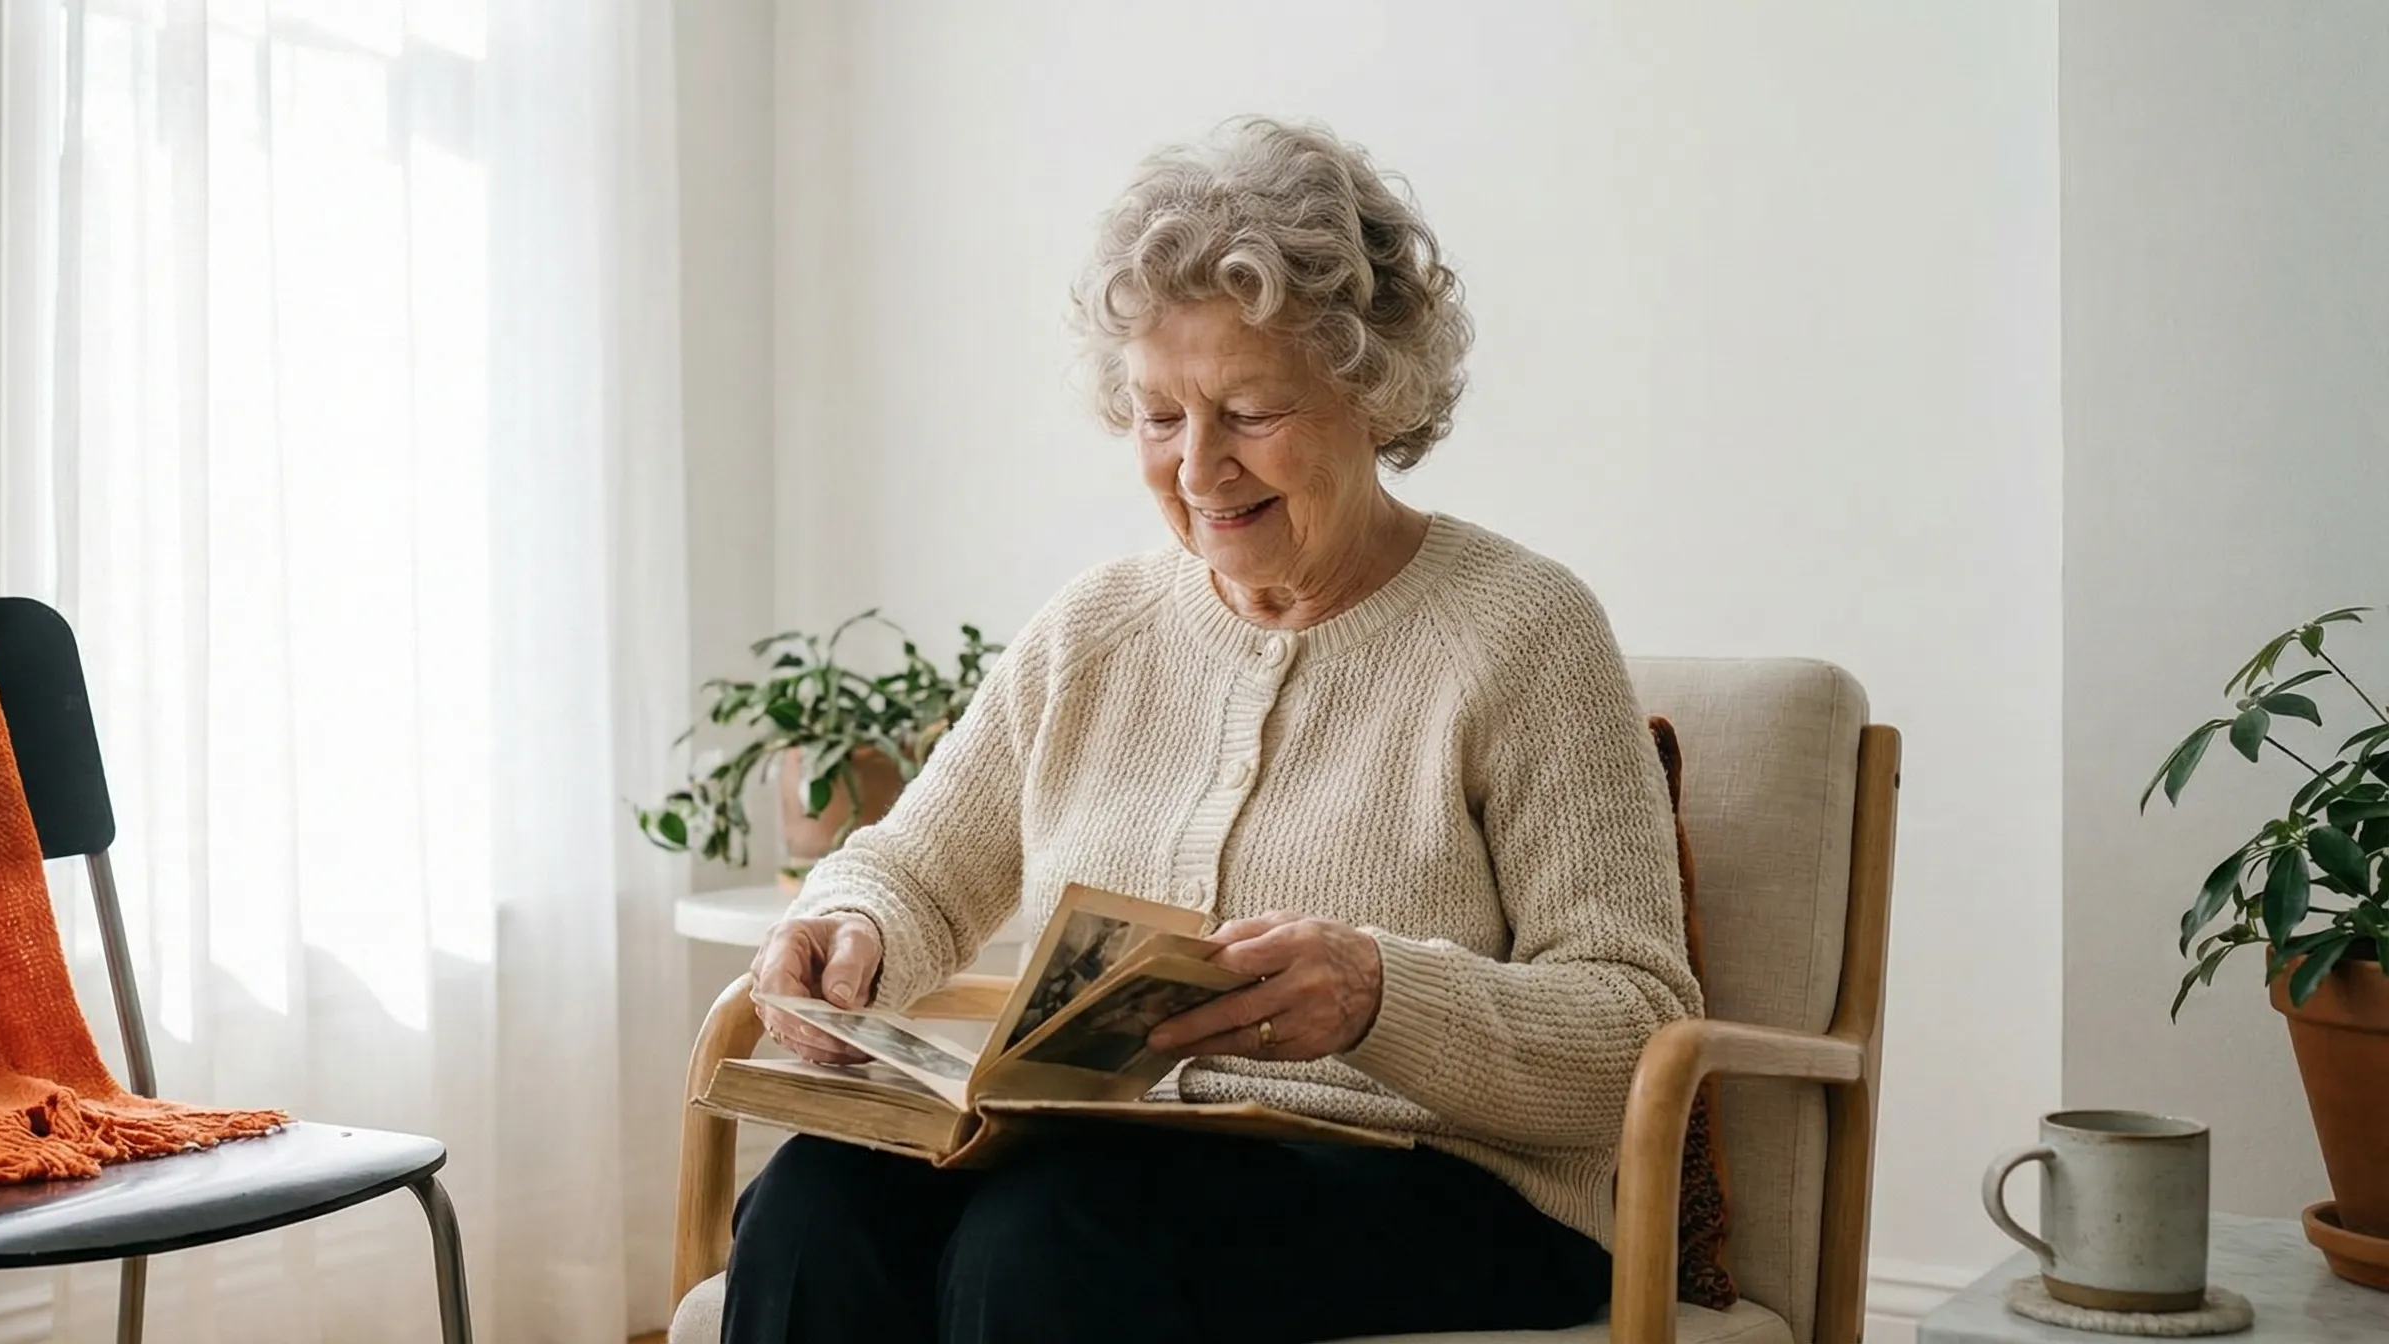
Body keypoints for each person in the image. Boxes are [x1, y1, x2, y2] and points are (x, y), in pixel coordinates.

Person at [724, 117, 1703, 1344]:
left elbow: (1629, 1024)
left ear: (1372, 391)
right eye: (1157, 417)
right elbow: (913, 866)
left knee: (1052, 1237)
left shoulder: (1522, 630)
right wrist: (848, 927)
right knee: (816, 1200)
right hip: (1109, 1165)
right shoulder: (1095, 629)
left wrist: (1378, 996)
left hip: (1444, 1190)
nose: (1198, 468)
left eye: (1248, 411)